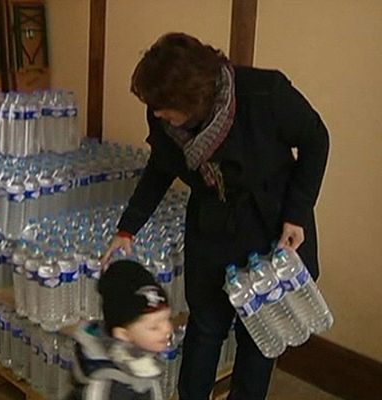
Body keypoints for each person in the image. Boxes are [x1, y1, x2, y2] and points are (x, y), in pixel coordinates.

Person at [103, 32, 329, 400]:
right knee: (206, 325)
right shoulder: (164, 116)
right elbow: (160, 167)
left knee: (258, 333)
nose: (157, 115)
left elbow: (317, 138)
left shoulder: (264, 93)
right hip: (211, 224)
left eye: (164, 109)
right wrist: (128, 228)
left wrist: (297, 214)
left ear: (194, 100)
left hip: (269, 222)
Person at [69, 260, 173, 400]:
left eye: (167, 318)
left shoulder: (140, 357)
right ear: (123, 334)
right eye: (154, 327)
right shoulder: (111, 386)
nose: (167, 329)